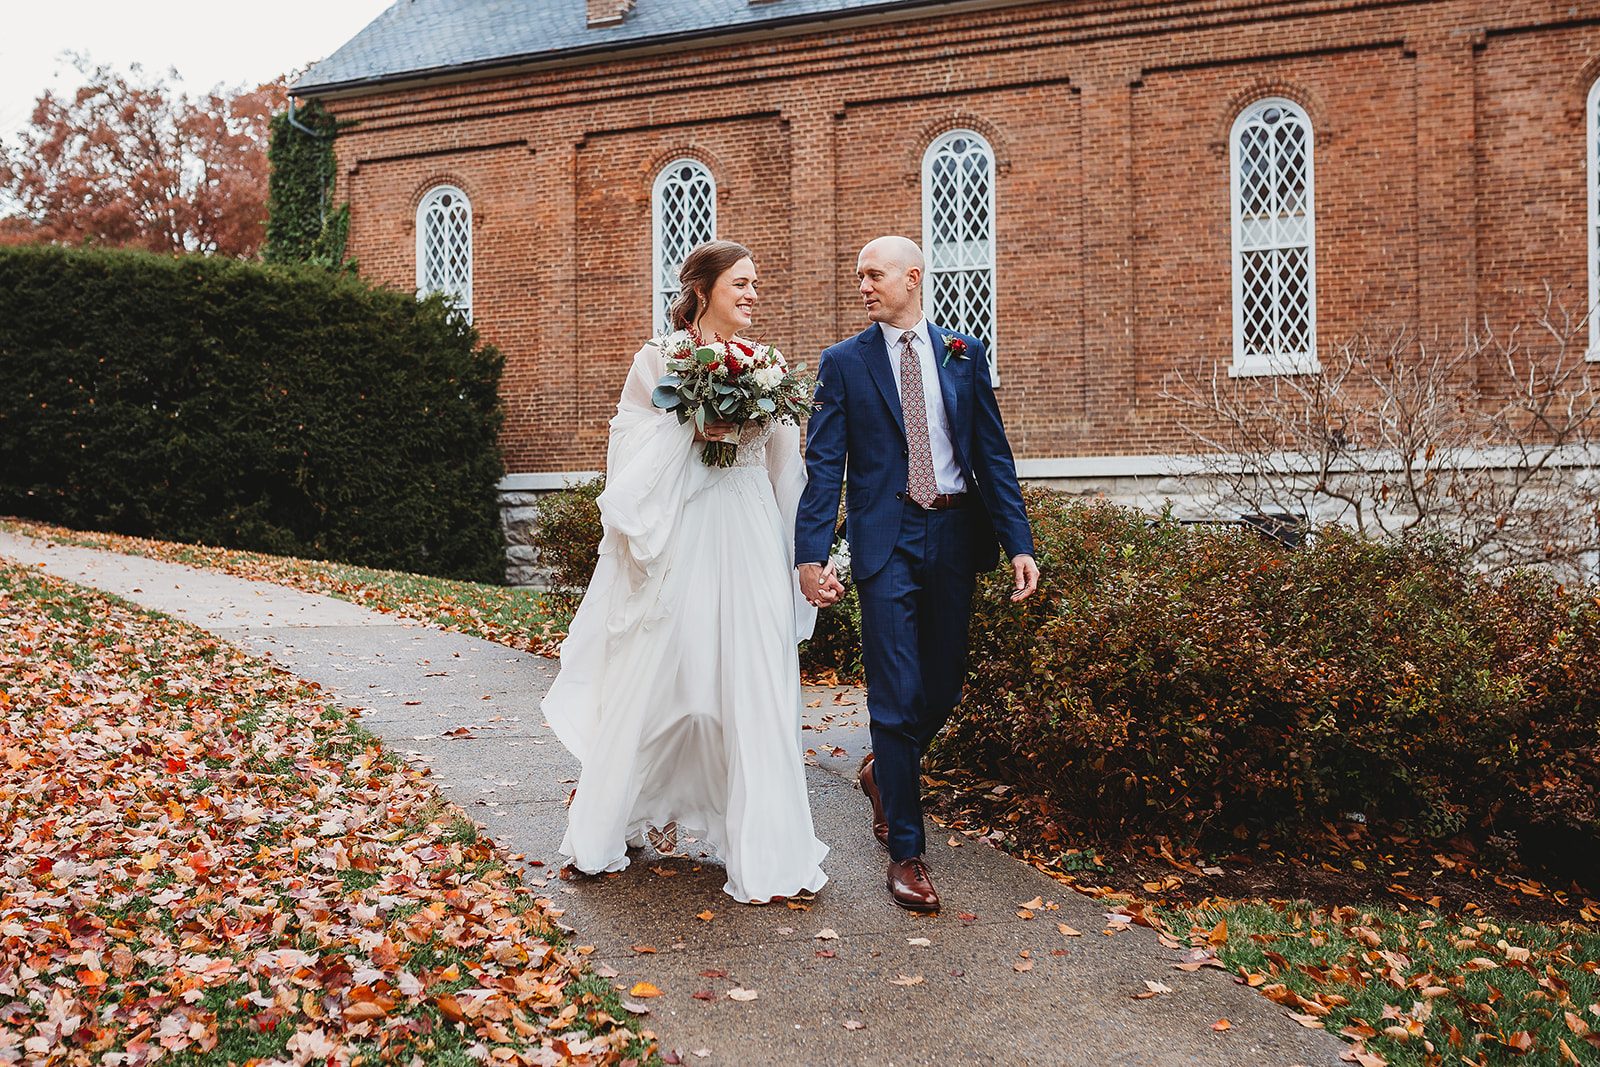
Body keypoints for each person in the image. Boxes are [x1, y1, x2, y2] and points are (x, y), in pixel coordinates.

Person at [542, 240, 829, 904]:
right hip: (683, 532)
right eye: (742, 283)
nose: (754, 293)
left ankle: (767, 847)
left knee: (753, 673)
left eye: (758, 283)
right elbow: (630, 445)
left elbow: (788, 466)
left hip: (751, 529)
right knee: (664, 669)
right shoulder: (658, 360)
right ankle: (611, 820)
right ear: (703, 289)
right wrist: (695, 430)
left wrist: (804, 557)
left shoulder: (772, 366)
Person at [794, 235, 1038, 912]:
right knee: (895, 695)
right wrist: (810, 554)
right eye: (858, 275)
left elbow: (994, 453)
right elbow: (825, 465)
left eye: (874, 274)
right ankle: (907, 850)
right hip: (885, 538)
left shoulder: (964, 352)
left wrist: (1019, 541)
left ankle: (883, 770)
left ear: (913, 277)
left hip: (957, 532)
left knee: (944, 684)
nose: (864, 285)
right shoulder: (844, 363)